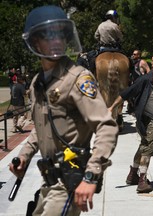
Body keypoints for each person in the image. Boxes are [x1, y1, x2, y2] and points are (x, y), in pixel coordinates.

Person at [9, 5, 118, 215]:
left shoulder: (78, 78)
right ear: (34, 42)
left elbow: (107, 126)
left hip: (70, 182)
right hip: (49, 182)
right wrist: (24, 157)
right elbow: (40, 128)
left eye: (61, 35)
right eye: (49, 35)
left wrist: (91, 174)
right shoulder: (37, 82)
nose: (56, 41)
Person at [108, 54, 153, 193]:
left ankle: (133, 175)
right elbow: (126, 93)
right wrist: (112, 108)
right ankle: (142, 180)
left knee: (144, 146)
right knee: (148, 147)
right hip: (146, 118)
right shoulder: (144, 80)